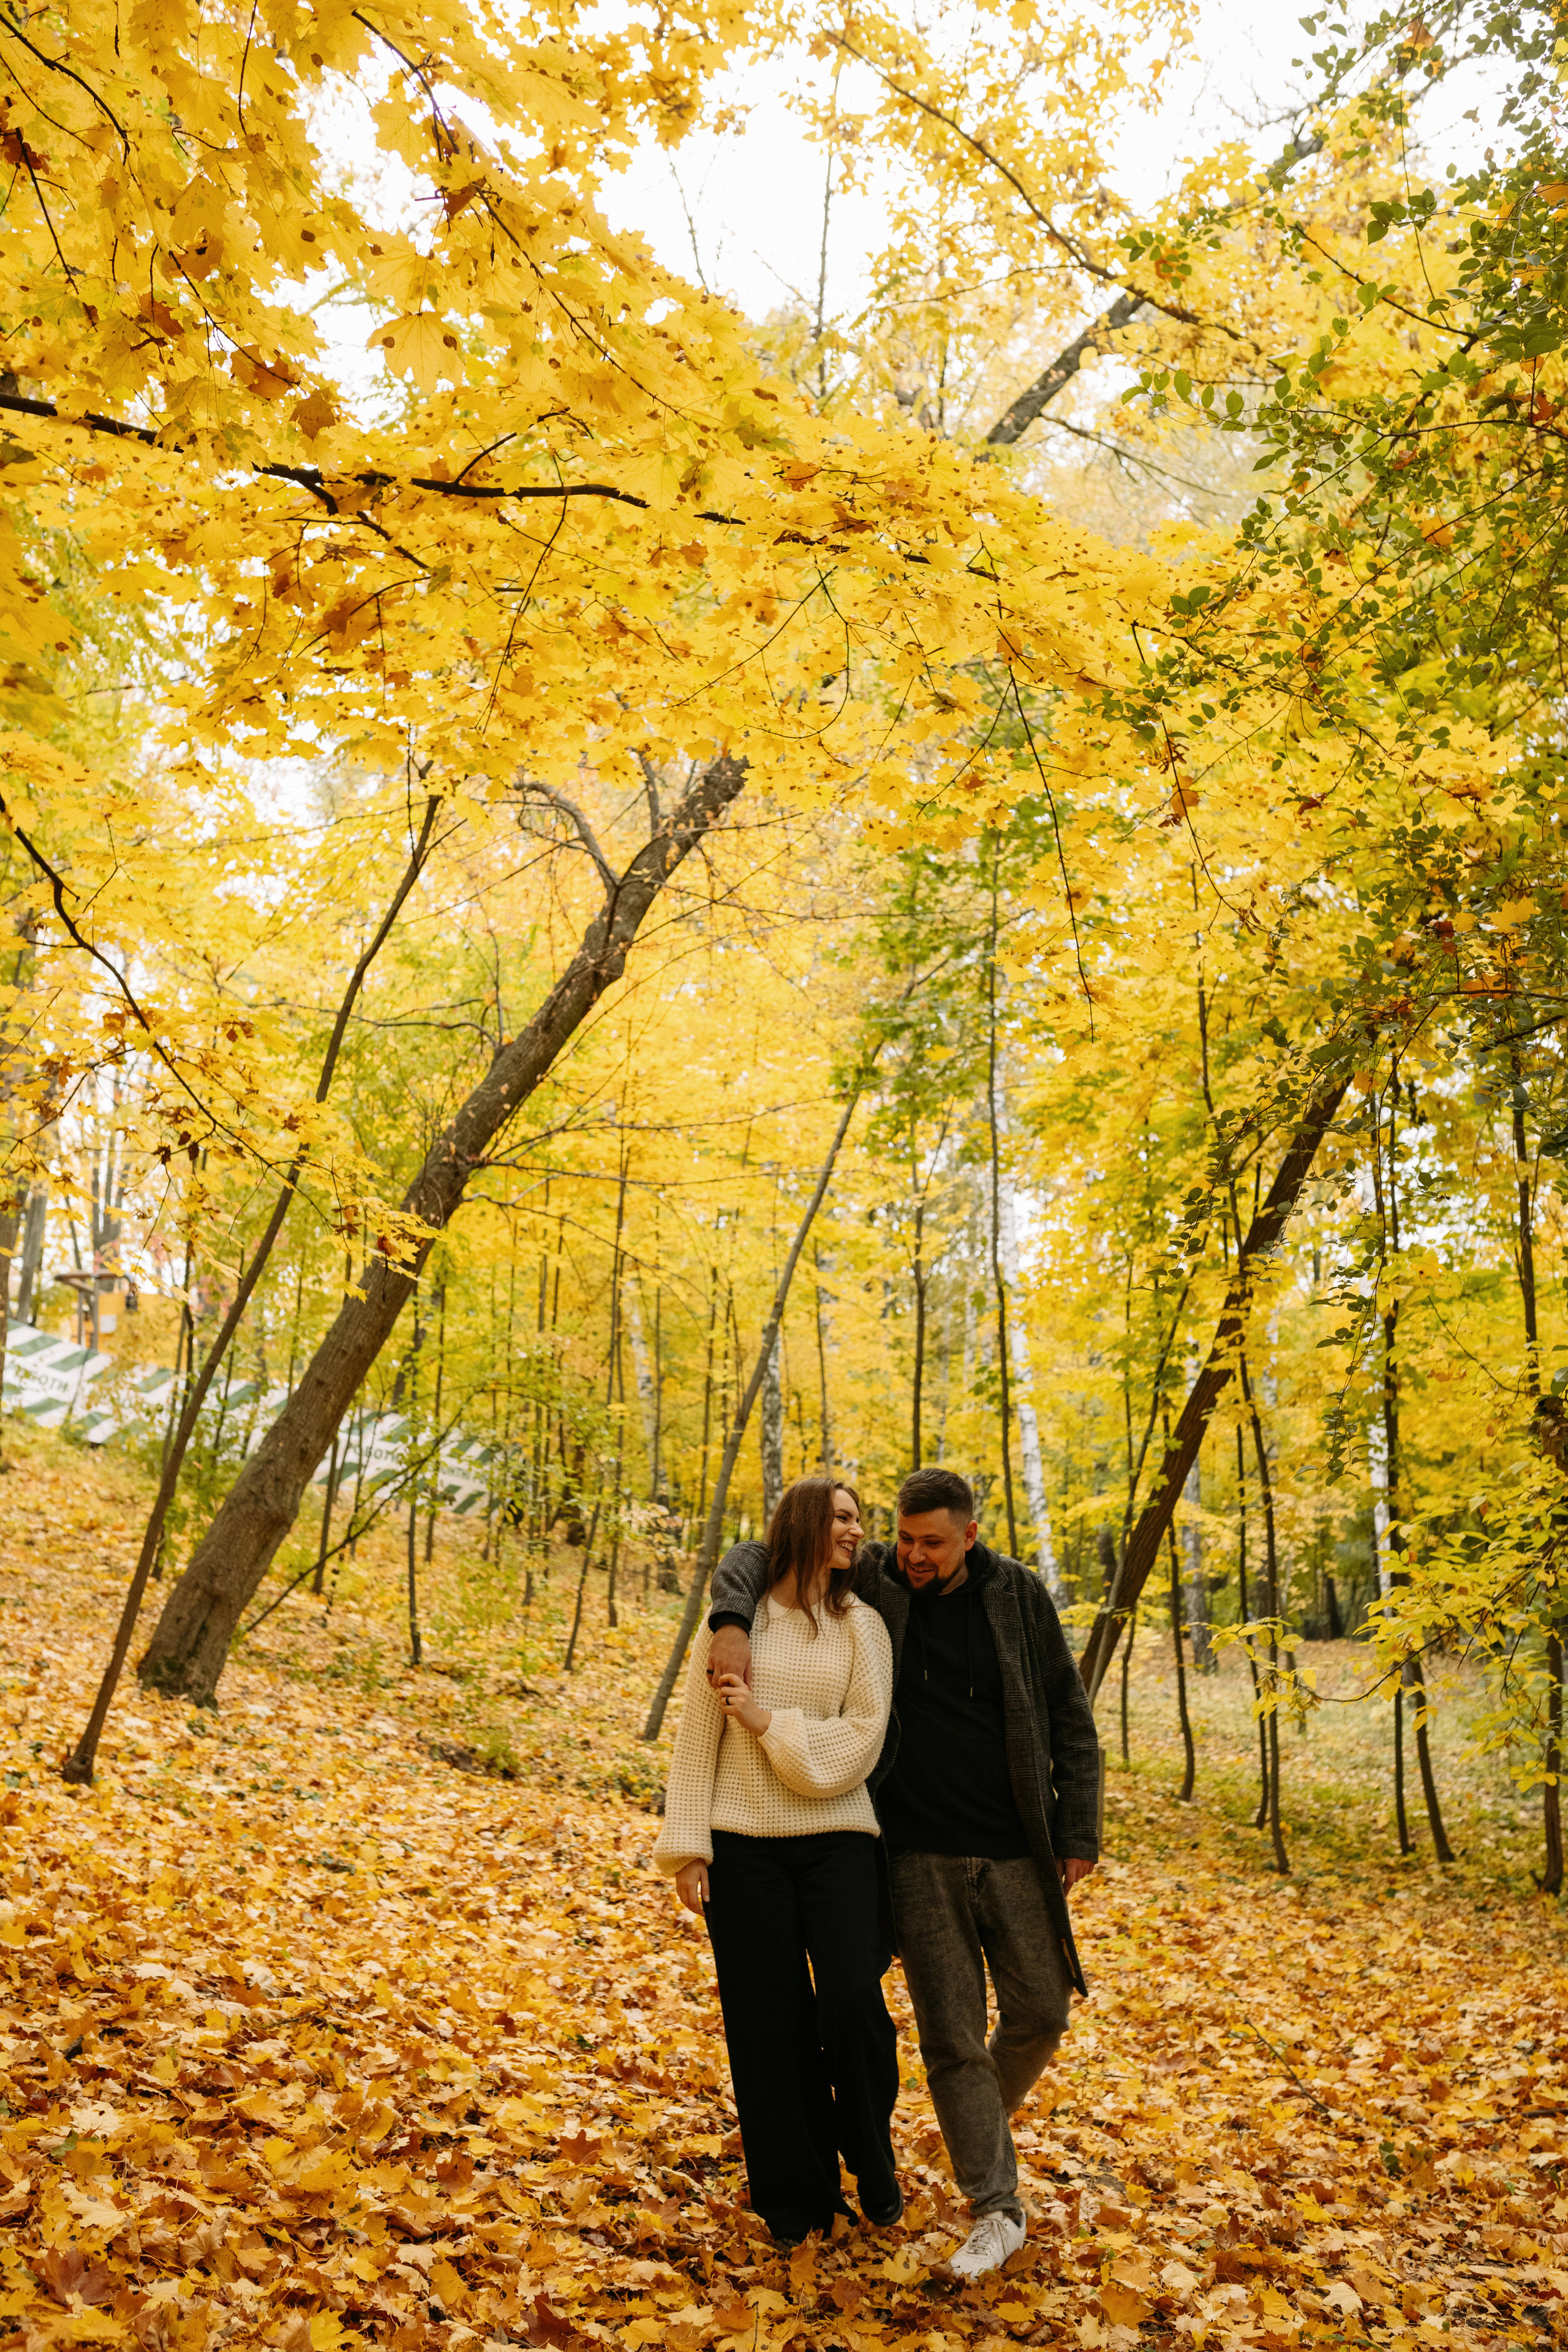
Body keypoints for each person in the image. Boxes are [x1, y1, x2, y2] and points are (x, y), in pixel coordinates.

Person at [707, 1464, 1099, 2283]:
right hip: (915, 1853)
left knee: (1043, 2010)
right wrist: (729, 1620)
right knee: (952, 2037)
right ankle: (997, 2208)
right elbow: (757, 1551)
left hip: (1016, 1847)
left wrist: (1078, 1829)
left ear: (971, 1536)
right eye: (907, 1540)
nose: (914, 1557)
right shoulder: (880, 1575)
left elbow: (1068, 1710)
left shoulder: (1019, 1596)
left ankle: (976, 2122)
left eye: (932, 1544)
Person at [655, 1475, 900, 2245]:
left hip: (838, 1840)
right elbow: (698, 1740)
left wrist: (766, 1722)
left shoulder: (864, 1628)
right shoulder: (738, 1625)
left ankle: (868, 2149)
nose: (856, 1532)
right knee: (768, 2026)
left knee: (853, 2003)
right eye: (841, 1519)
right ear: (801, 1524)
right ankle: (796, 2202)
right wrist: (689, 1848)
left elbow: (861, 1742)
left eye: (860, 1520)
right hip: (742, 1847)